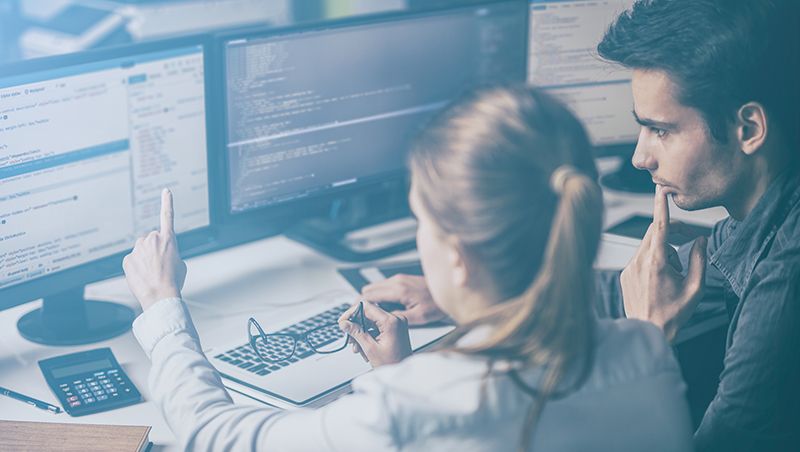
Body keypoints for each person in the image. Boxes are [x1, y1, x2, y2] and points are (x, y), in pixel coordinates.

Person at [123, 86, 693, 451]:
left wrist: (162, 305)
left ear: (458, 257)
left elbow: (212, 436)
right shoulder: (645, 350)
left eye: (421, 218)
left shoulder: (419, 404)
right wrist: (392, 374)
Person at [367, 1, 800, 451]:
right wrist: (476, 287)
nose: (640, 157)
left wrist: (649, 339)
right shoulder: (762, 216)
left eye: (661, 130)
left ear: (749, 128)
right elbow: (627, 289)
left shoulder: (787, 278)